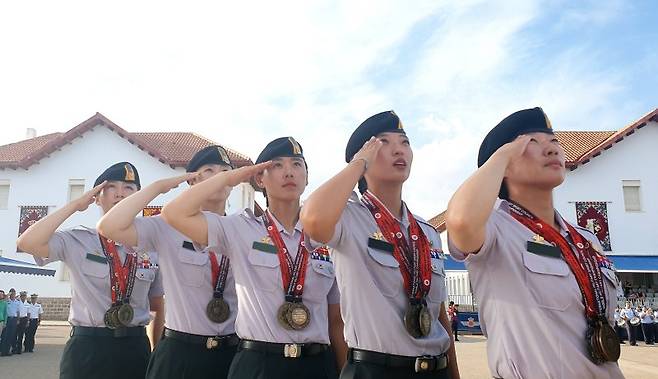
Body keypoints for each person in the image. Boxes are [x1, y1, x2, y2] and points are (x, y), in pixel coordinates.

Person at [446, 107, 624, 378]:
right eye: (532, 143)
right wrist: (504, 154)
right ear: (504, 164)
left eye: (554, 143)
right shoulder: (495, 230)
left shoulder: (586, 240)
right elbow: (460, 222)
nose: (552, 150)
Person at [161, 137, 347, 379]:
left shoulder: (323, 234)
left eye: (296, 164)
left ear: (307, 178)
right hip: (260, 364)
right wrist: (228, 178)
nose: (288, 172)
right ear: (259, 179)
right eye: (277, 166)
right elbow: (174, 213)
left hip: (316, 364)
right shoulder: (240, 228)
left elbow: (336, 320)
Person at [301, 111, 459, 379]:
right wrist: (358, 163)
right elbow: (313, 218)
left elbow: (439, 317)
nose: (399, 149)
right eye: (383, 142)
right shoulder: (348, 218)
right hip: (375, 370)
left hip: (435, 369)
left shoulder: (426, 233)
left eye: (405, 142)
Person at [97, 146, 240, 379]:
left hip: (233, 353)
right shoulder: (165, 226)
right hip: (181, 354)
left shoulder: (243, 228)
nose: (219, 177)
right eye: (209, 171)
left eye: (225, 171)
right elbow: (109, 226)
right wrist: (159, 187)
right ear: (192, 180)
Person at [16, 162, 164, 379]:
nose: (121, 194)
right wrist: (75, 205)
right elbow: (27, 242)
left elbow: (157, 305)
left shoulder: (151, 246)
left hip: (135, 348)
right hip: (87, 348)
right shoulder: (77, 241)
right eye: (111, 187)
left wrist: (156, 352)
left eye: (129, 188)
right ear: (96, 196)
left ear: (139, 197)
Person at [0, 289, 20, 356]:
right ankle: (3, 351)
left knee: (11, 336)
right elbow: (3, 298)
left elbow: (18, 312)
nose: (13, 295)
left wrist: (18, 320)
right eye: (12, 293)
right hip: (7, 319)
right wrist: (8, 294)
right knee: (5, 336)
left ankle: (7, 351)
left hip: (14, 319)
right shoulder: (6, 301)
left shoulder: (17, 302)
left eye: (14, 293)